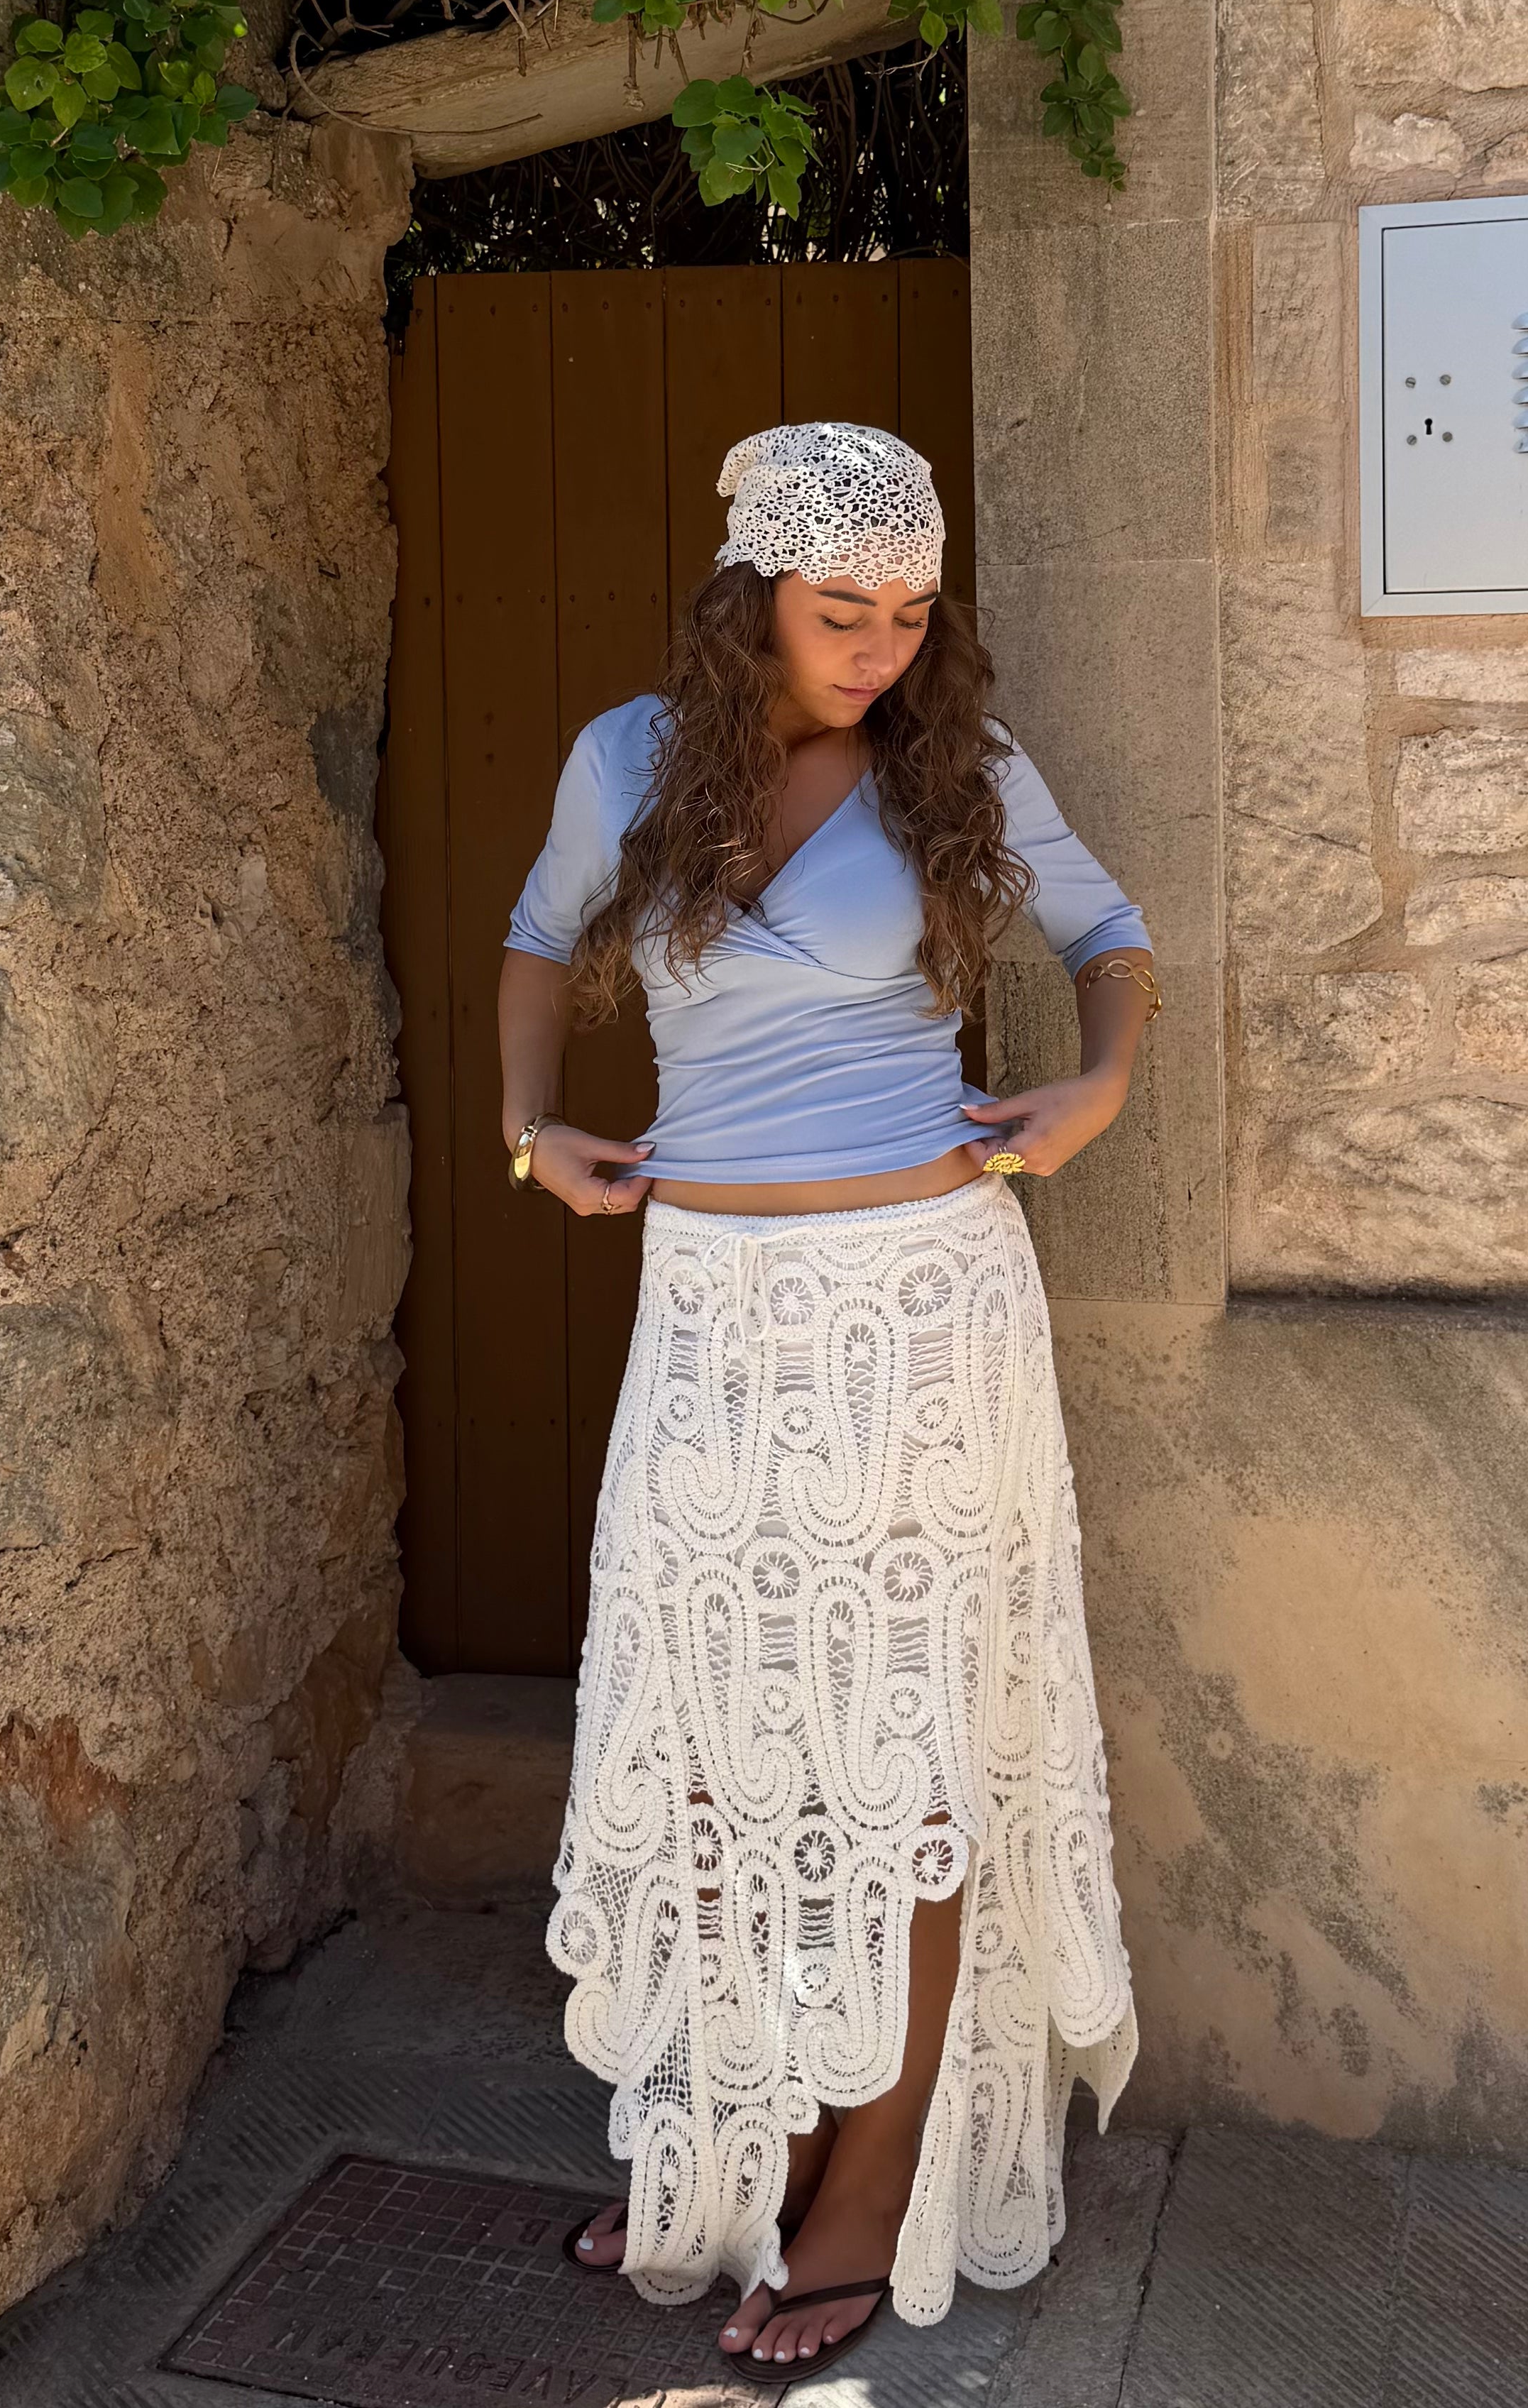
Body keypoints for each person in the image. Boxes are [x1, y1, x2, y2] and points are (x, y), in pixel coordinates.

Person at [498, 419, 1155, 2388]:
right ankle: (738, 2146)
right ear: (754, 597)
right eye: (840, 606)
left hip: (920, 1309)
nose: (879, 646)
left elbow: (1109, 938)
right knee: (715, 1744)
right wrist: (532, 1127)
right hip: (708, 1305)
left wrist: (1092, 1093)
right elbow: (536, 937)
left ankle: (869, 2182)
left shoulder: (963, 770)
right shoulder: (629, 762)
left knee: (908, 1750)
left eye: (912, 610)